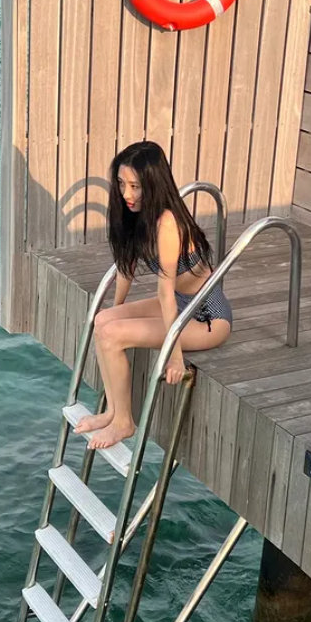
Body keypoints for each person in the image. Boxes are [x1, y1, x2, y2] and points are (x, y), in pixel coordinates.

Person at [73, 140, 233, 450]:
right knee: (103, 322)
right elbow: (127, 268)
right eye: (122, 184)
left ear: (153, 184)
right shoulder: (138, 214)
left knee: (112, 334)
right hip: (181, 306)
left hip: (207, 318)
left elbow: (165, 294)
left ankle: (124, 423)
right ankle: (112, 412)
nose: (127, 194)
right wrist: (115, 313)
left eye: (135, 186)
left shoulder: (168, 223)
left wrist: (175, 356)